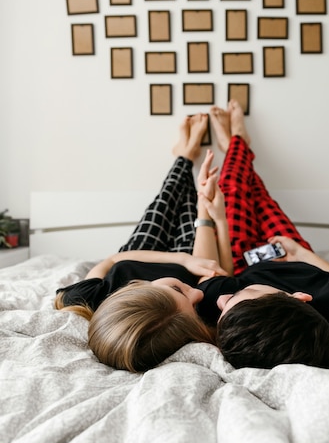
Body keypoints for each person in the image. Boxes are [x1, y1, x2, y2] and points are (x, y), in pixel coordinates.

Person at [197, 100, 329, 370]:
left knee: (233, 188)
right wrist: (301, 254)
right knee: (262, 200)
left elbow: (220, 273)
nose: (221, 300)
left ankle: (236, 145)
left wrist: (214, 218)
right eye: (242, 292)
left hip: (242, 260)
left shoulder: (235, 326)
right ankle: (237, 142)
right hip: (293, 255)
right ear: (299, 297)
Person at [55, 113, 232, 372]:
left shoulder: (85, 299)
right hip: (189, 259)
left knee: (163, 205)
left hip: (138, 255)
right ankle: (185, 156)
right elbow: (216, 273)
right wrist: (205, 212)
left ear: (136, 287)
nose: (198, 295)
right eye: (194, 306)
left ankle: (184, 155)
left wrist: (182, 260)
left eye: (178, 289)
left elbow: (113, 260)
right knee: (190, 210)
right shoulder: (185, 319)